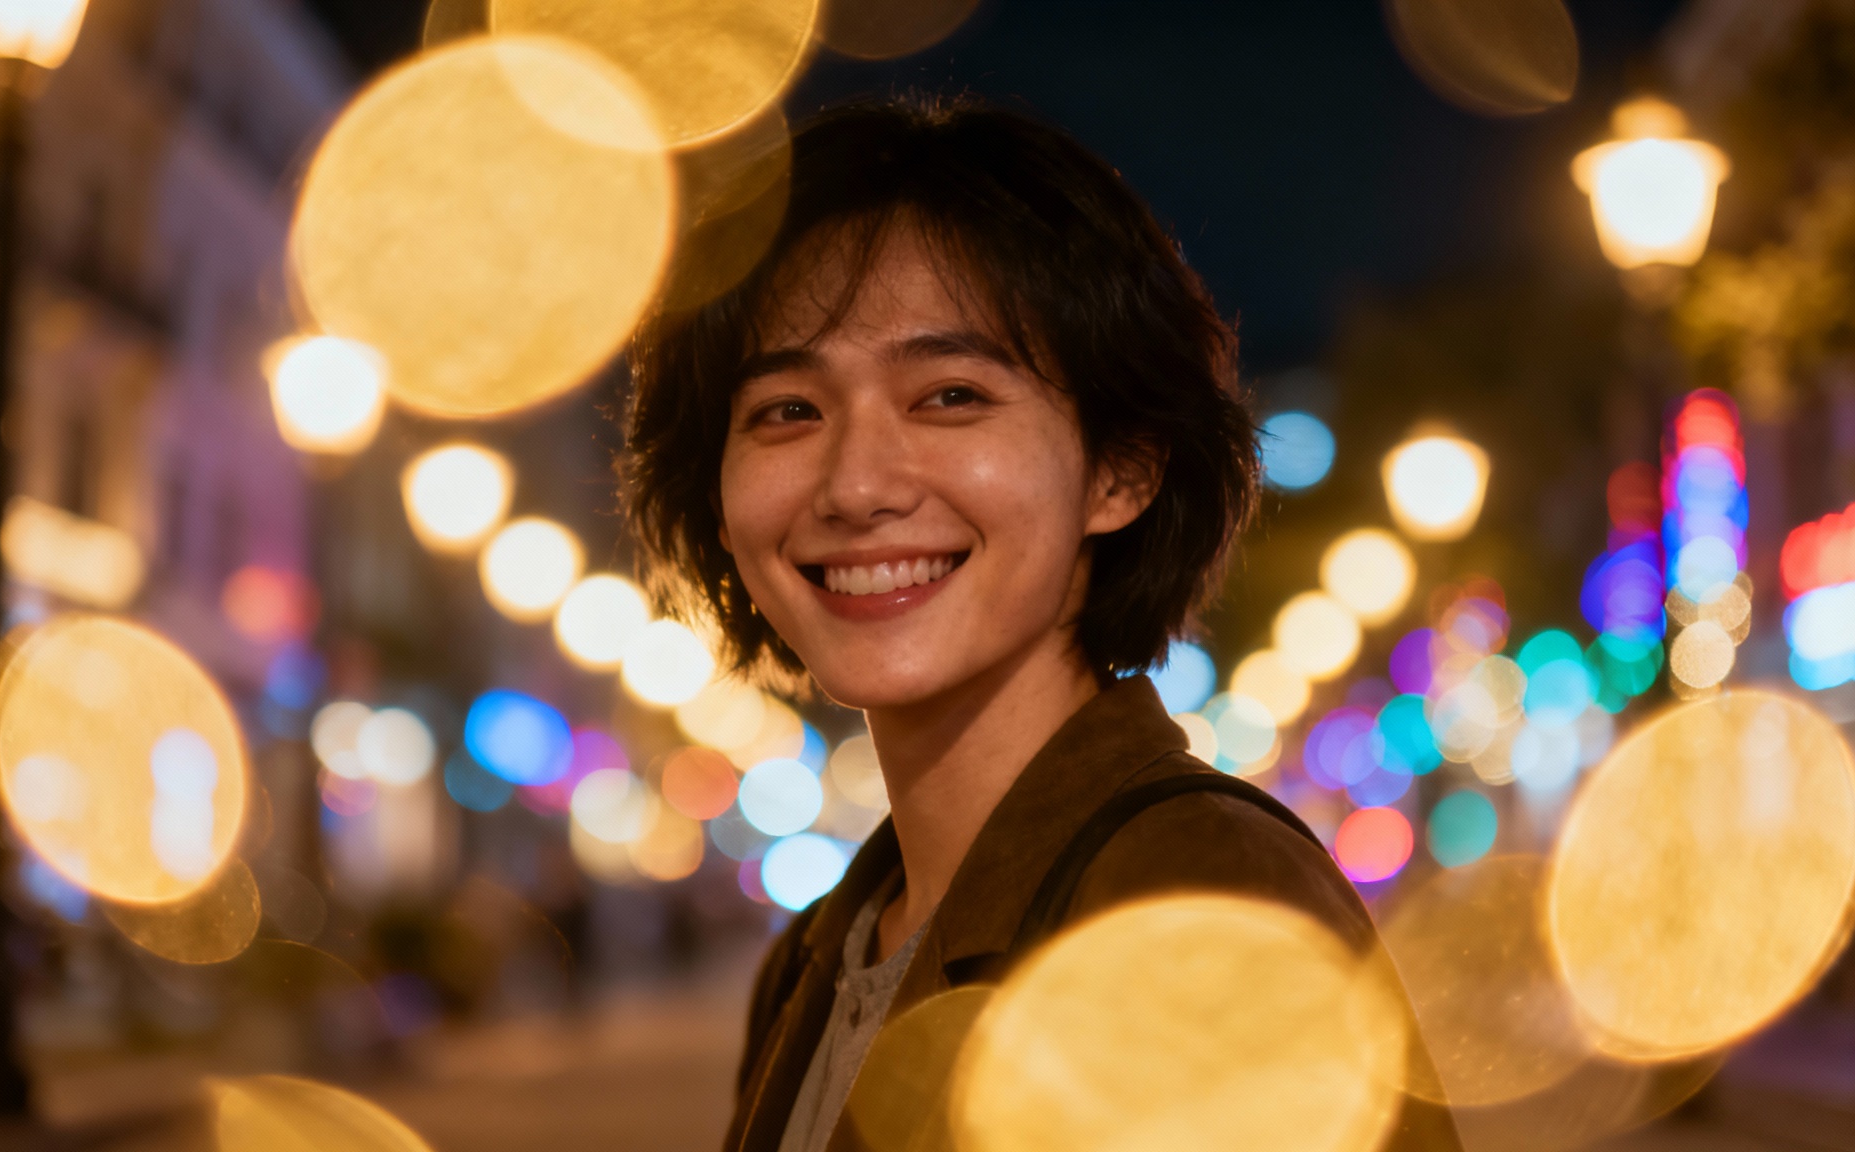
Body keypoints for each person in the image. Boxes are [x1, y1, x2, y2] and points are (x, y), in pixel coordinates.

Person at [623, 97, 1455, 1152]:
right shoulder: (815, 961)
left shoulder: (1197, 909)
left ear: (1121, 470)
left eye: (949, 396)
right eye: (787, 410)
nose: (856, 486)